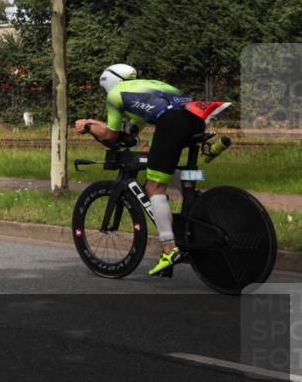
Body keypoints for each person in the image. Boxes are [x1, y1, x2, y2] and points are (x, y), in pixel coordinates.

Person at [74, 64, 230, 277]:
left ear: (108, 83)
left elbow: (111, 136)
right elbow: (130, 134)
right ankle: (199, 210)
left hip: (172, 124)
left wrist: (89, 125)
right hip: (196, 120)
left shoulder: (115, 95)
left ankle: (169, 250)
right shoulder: (148, 86)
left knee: (154, 187)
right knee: (173, 171)